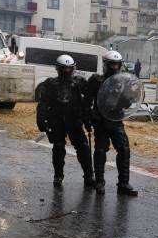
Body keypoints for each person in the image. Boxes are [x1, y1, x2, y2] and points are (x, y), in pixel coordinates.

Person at [36, 55, 95, 188]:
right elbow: (43, 104)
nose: (67, 71)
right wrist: (41, 120)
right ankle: (58, 176)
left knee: (83, 148)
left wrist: (88, 119)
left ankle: (89, 175)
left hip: (74, 119)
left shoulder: (79, 82)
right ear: (58, 68)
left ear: (73, 68)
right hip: (57, 120)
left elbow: (87, 101)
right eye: (64, 68)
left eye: (69, 68)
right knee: (58, 148)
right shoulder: (50, 84)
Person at [86, 51, 138, 195]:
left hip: (116, 120)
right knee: (101, 151)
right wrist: (88, 118)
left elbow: (126, 103)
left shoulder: (123, 82)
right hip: (100, 121)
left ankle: (123, 183)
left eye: (117, 64)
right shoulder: (96, 80)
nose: (114, 67)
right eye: (112, 64)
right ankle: (100, 182)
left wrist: (131, 96)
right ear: (106, 65)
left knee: (124, 150)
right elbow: (87, 101)